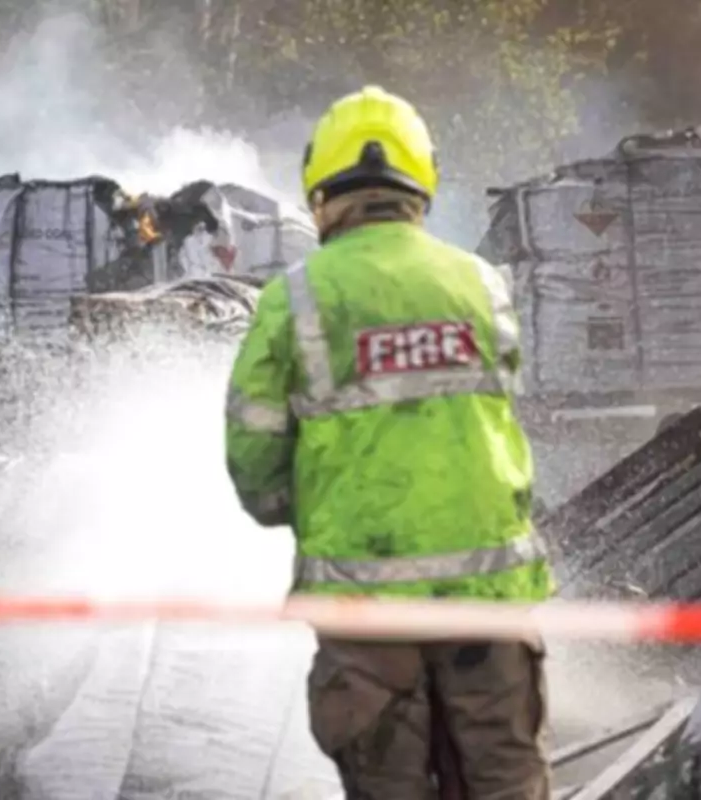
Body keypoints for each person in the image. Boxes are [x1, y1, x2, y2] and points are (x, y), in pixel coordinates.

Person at [224, 85, 554, 800]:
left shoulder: (297, 296)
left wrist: (299, 506)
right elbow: (497, 409)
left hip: (365, 610)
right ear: (420, 176)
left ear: (321, 184)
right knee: (505, 782)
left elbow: (254, 457)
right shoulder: (480, 282)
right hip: (487, 601)